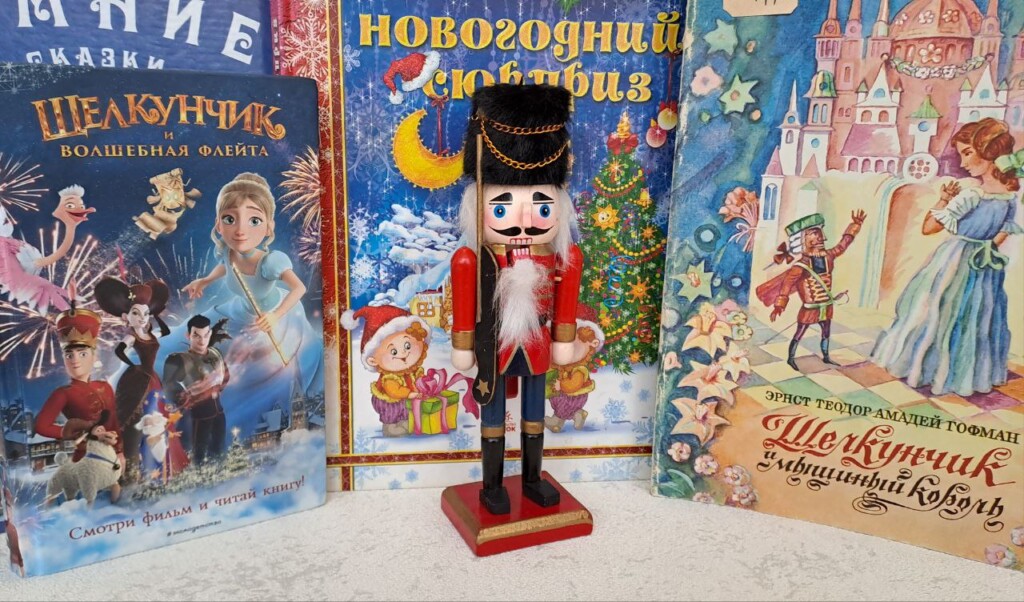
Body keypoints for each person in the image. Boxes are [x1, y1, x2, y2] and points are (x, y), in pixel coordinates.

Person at [450, 83, 583, 515]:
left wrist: (564, 339)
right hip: (495, 347)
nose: (524, 220)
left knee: (533, 413)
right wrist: (463, 344)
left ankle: (531, 478)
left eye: (541, 208)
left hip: (538, 344)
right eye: (502, 208)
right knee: (492, 415)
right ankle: (492, 484)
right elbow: (465, 304)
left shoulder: (560, 258)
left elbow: (565, 301)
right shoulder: (474, 259)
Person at [872, 118, 1021, 396]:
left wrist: (944, 202)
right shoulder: (1004, 196)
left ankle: (951, 372)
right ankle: (937, 370)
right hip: (972, 262)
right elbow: (933, 229)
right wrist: (987, 248)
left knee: (968, 315)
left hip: (967, 260)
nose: (963, 163)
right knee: (948, 312)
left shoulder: (977, 195)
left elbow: (933, 227)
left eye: (967, 153)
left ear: (988, 152)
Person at [179, 172, 321, 436]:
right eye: (230, 219)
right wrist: (205, 280)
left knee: (271, 372)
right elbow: (225, 267)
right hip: (241, 309)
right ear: (218, 225)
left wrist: (276, 315)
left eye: (254, 220)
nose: (240, 230)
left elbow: (299, 288)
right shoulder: (228, 252)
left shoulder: (270, 262)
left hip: (277, 314)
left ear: (268, 227)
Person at [94, 275, 185, 482]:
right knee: (135, 423)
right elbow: (119, 350)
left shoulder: (151, 335)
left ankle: (158, 469)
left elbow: (166, 331)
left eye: (145, 314)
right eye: (136, 313)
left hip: (152, 380)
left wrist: (156, 315)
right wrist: (132, 365)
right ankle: (132, 471)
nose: (142, 318)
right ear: (126, 316)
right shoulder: (133, 336)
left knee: (157, 421)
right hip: (138, 379)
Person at [755, 210, 866, 370]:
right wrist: (779, 305)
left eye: (821, 235)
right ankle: (791, 358)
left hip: (826, 305)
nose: (822, 239)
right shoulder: (800, 266)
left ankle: (826, 357)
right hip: (810, 307)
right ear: (805, 239)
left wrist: (855, 225)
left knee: (826, 331)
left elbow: (843, 245)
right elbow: (786, 285)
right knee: (800, 332)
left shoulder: (828, 256)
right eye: (816, 236)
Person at [34, 306, 123, 466]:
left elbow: (115, 422)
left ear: (93, 356)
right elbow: (41, 426)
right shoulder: (63, 393)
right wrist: (77, 432)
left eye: (82, 354)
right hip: (86, 459)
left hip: (113, 456)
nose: (75, 360)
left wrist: (120, 451)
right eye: (69, 355)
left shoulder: (105, 387)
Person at [342, 305, 430, 437]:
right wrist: (409, 394)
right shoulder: (389, 378)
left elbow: (418, 380)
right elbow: (393, 390)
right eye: (393, 351)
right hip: (390, 401)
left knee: (406, 411)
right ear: (373, 360)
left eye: (408, 345)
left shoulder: (412, 371)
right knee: (393, 412)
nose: (404, 353)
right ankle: (390, 427)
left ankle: (406, 422)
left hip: (405, 400)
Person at [162, 315, 231, 465]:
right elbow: (168, 385)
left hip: (218, 412)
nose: (202, 340)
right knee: (198, 455)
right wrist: (185, 399)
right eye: (197, 336)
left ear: (210, 333)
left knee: (219, 451)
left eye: (205, 335)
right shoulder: (179, 359)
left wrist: (214, 387)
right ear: (188, 335)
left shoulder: (215, 353)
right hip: (197, 416)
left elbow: (225, 375)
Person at [545, 304, 605, 433]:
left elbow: (574, 384)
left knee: (563, 407)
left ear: (592, 344)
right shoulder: (560, 367)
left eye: (571, 344)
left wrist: (561, 385)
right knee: (560, 406)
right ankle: (564, 419)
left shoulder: (579, 369)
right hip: (562, 395)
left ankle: (564, 418)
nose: (561, 349)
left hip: (572, 396)